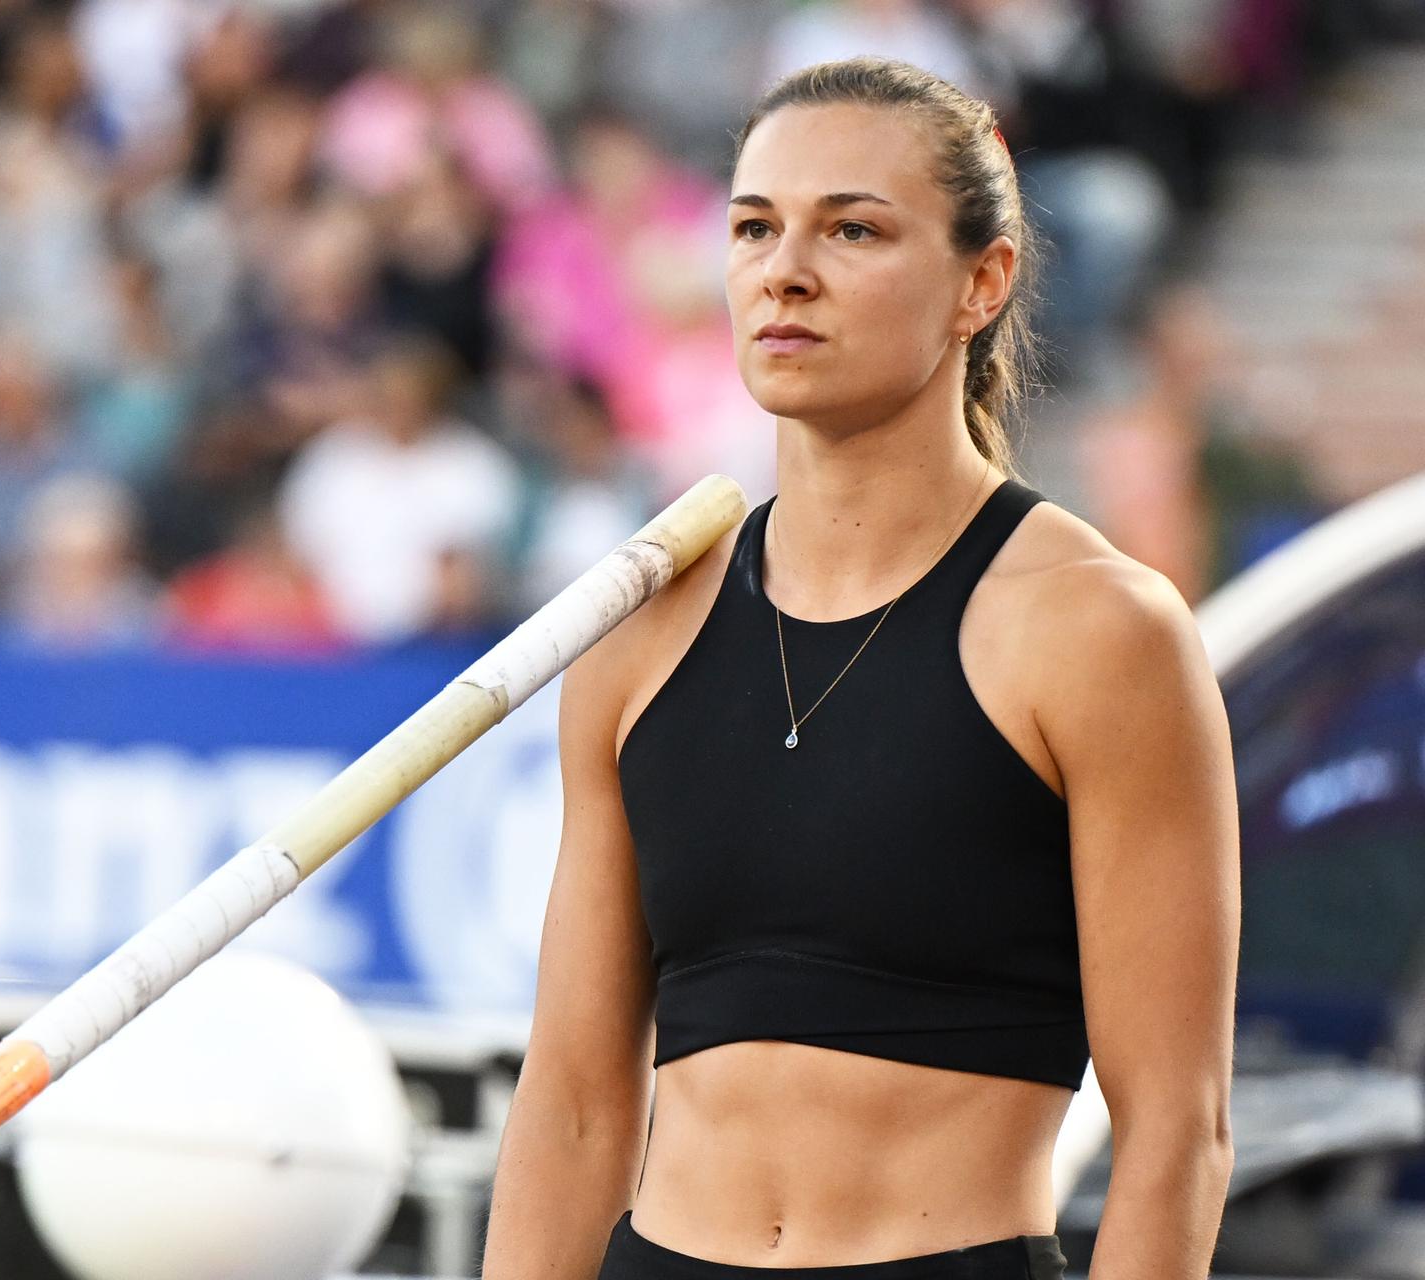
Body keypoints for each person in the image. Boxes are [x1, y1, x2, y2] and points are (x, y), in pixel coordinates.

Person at [481, 57, 1238, 1280]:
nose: (785, 269)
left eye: (853, 228)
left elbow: (1176, 1134)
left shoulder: (1101, 630)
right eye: (752, 227)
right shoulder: (636, 628)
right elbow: (571, 1101)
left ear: (980, 284)